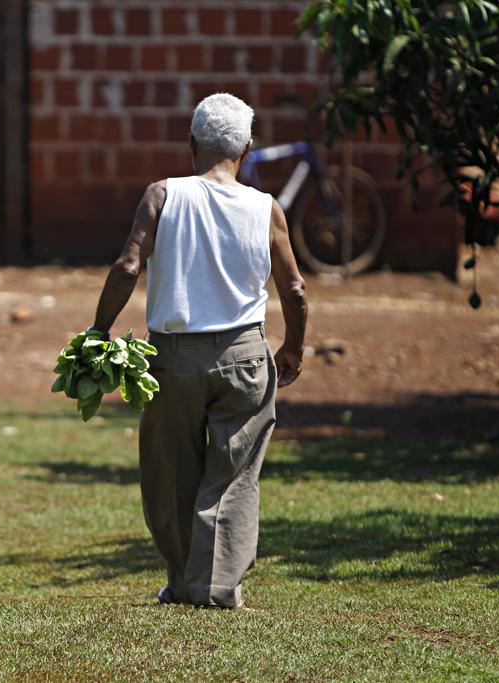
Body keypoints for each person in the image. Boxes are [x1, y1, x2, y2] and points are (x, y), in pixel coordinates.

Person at [89, 93, 307, 609]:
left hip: (171, 359)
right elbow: (294, 289)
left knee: (171, 474)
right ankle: (216, 587)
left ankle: (189, 584)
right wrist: (293, 346)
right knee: (233, 474)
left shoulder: (163, 194)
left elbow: (127, 266)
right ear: (248, 148)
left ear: (191, 144)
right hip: (247, 356)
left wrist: (98, 331)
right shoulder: (266, 208)